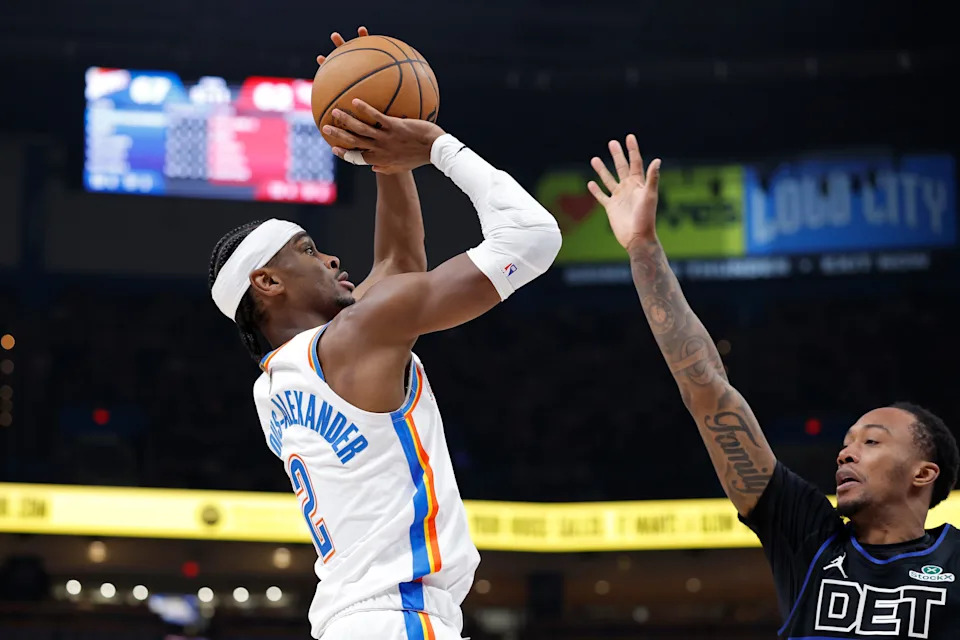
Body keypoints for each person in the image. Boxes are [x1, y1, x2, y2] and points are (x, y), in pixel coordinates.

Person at [207, 28, 561, 640]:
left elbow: (399, 266)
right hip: (397, 618)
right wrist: (436, 146)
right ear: (267, 281)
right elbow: (534, 237)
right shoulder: (354, 337)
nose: (333, 261)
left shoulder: (276, 384)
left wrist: (379, 153)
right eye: (309, 251)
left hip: (354, 618)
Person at [586, 134, 960, 638]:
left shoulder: (954, 560)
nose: (845, 454)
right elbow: (708, 391)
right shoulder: (807, 534)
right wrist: (643, 249)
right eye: (847, 443)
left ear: (924, 472)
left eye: (871, 441)